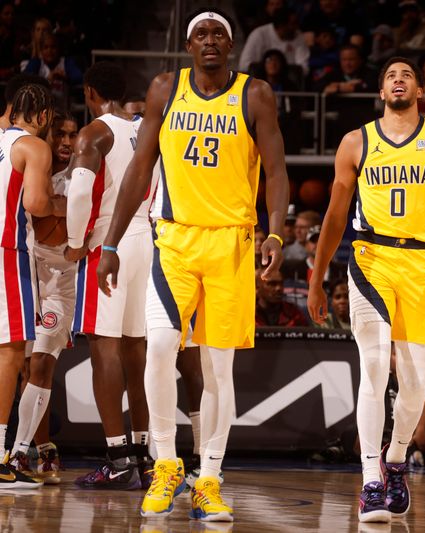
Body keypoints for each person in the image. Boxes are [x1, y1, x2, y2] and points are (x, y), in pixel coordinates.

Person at [95, 8, 289, 521]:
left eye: (218, 35)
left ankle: (210, 477)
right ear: (188, 45)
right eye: (200, 34)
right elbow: (141, 168)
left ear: (230, 45)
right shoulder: (164, 88)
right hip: (175, 241)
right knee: (159, 348)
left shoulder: (255, 94)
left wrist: (276, 231)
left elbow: (276, 170)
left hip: (231, 244)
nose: (209, 41)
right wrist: (110, 244)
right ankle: (165, 463)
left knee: (216, 368)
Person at [307, 56, 425, 523]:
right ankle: (369, 481)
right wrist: (318, 276)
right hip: (369, 259)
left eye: (406, 75)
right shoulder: (355, 142)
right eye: (390, 76)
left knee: (413, 384)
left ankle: (397, 460)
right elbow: (334, 215)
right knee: (372, 364)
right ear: (381, 92)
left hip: (421, 265)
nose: (398, 80)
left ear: (420, 91)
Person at [62, 61, 154, 490]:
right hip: (147, 237)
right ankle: (144, 454)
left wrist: (77, 240)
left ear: (89, 92)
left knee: (105, 350)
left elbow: (80, 192)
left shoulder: (95, 133)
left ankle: (118, 458)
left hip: (109, 243)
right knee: (138, 351)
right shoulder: (142, 128)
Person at [0, 83, 64, 489]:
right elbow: (36, 205)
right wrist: (66, 208)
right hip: (8, 251)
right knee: (11, 352)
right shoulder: (34, 147)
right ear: (42, 117)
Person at [8, 111, 78, 484]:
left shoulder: (84, 176)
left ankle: (20, 455)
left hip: (61, 277)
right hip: (25, 271)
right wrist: (55, 209)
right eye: (60, 134)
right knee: (19, 365)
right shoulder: (27, 168)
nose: (66, 142)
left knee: (42, 366)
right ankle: (40, 446)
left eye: (72, 134)